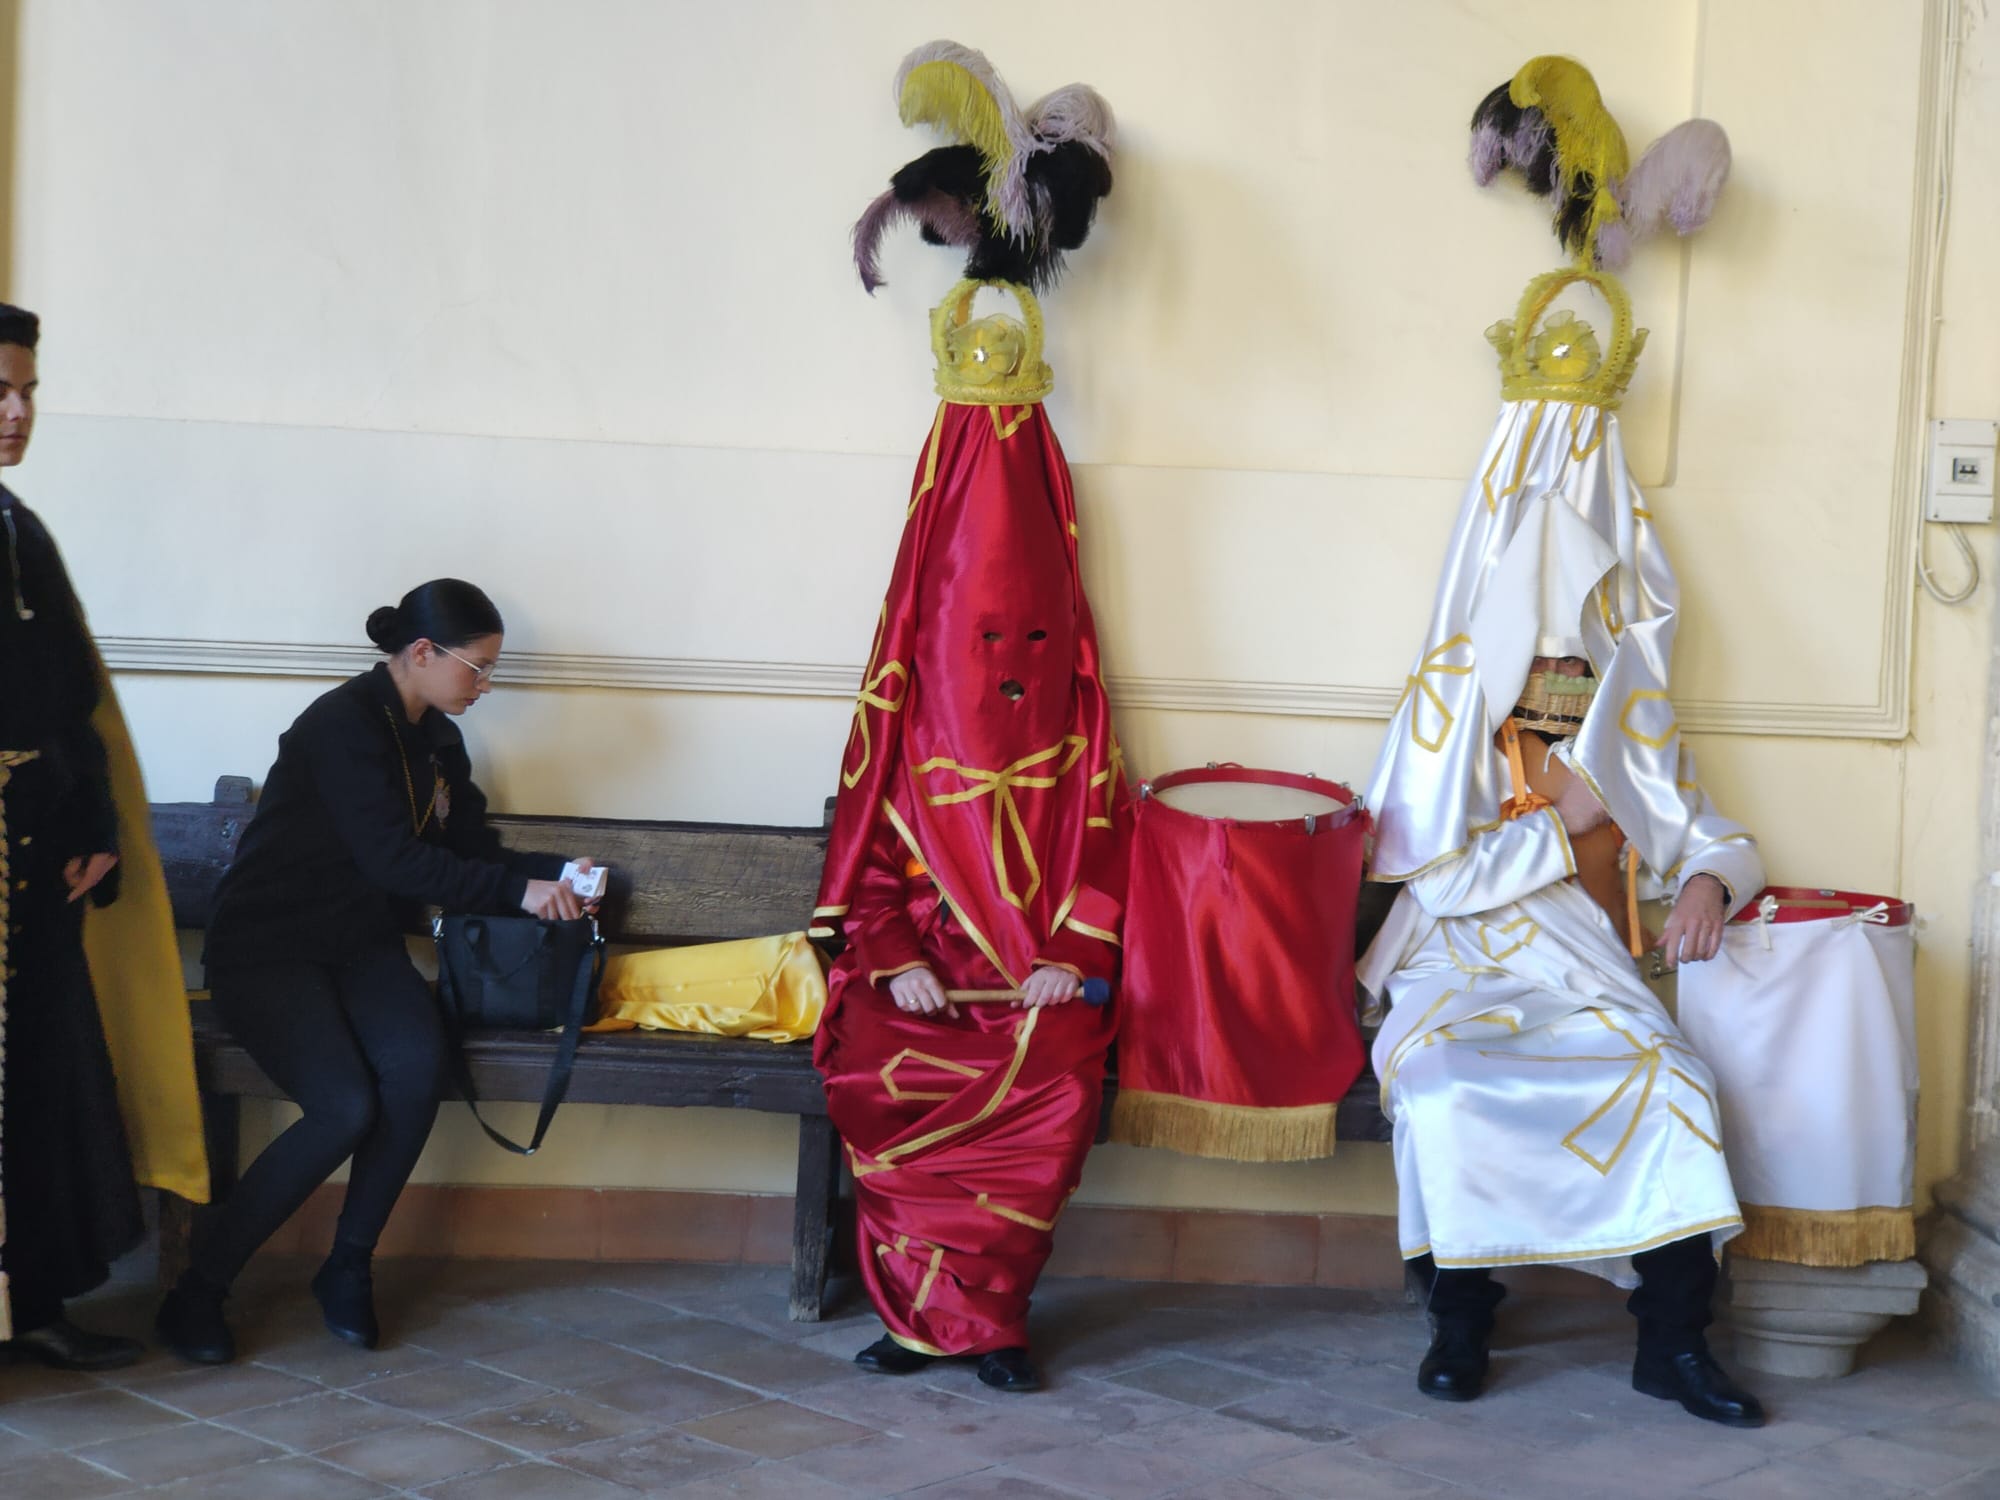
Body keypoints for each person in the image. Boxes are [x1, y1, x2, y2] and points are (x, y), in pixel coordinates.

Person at [1360, 267, 1768, 1427]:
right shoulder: (1442, 718)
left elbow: (1718, 834)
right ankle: (1458, 1319)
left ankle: (1673, 1341)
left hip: (1586, 984)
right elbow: (1428, 875)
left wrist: (1701, 880)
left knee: (1677, 1087)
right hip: (1461, 978)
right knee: (1440, 1091)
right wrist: (1564, 835)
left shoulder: (1618, 719)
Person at [814, 42, 1125, 1395]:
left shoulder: (1079, 751)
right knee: (885, 1061)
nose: (1006, 658)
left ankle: (990, 1319)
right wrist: (889, 957)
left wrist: (1071, 954)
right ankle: (914, 1314)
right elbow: (865, 873)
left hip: (1030, 981)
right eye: (981, 640)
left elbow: (1104, 860)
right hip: (929, 976)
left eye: (1027, 640)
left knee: (1057, 1065)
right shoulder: (909, 742)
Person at [154, 579, 592, 1364]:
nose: (485, 687)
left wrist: (558, 872)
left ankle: (348, 1265)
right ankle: (199, 1289)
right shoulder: (340, 725)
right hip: (268, 946)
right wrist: (515, 890)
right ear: (422, 653)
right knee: (344, 1106)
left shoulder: (440, 738)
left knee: (418, 1067)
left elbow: (465, 854)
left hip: (356, 946)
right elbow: (394, 860)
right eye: (478, 669)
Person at [0, 301, 205, 1370]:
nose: (18, 410)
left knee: (39, 1073)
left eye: (28, 388)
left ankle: (29, 1302)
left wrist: (92, 824)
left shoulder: (18, 526)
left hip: (30, 853)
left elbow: (64, 698)